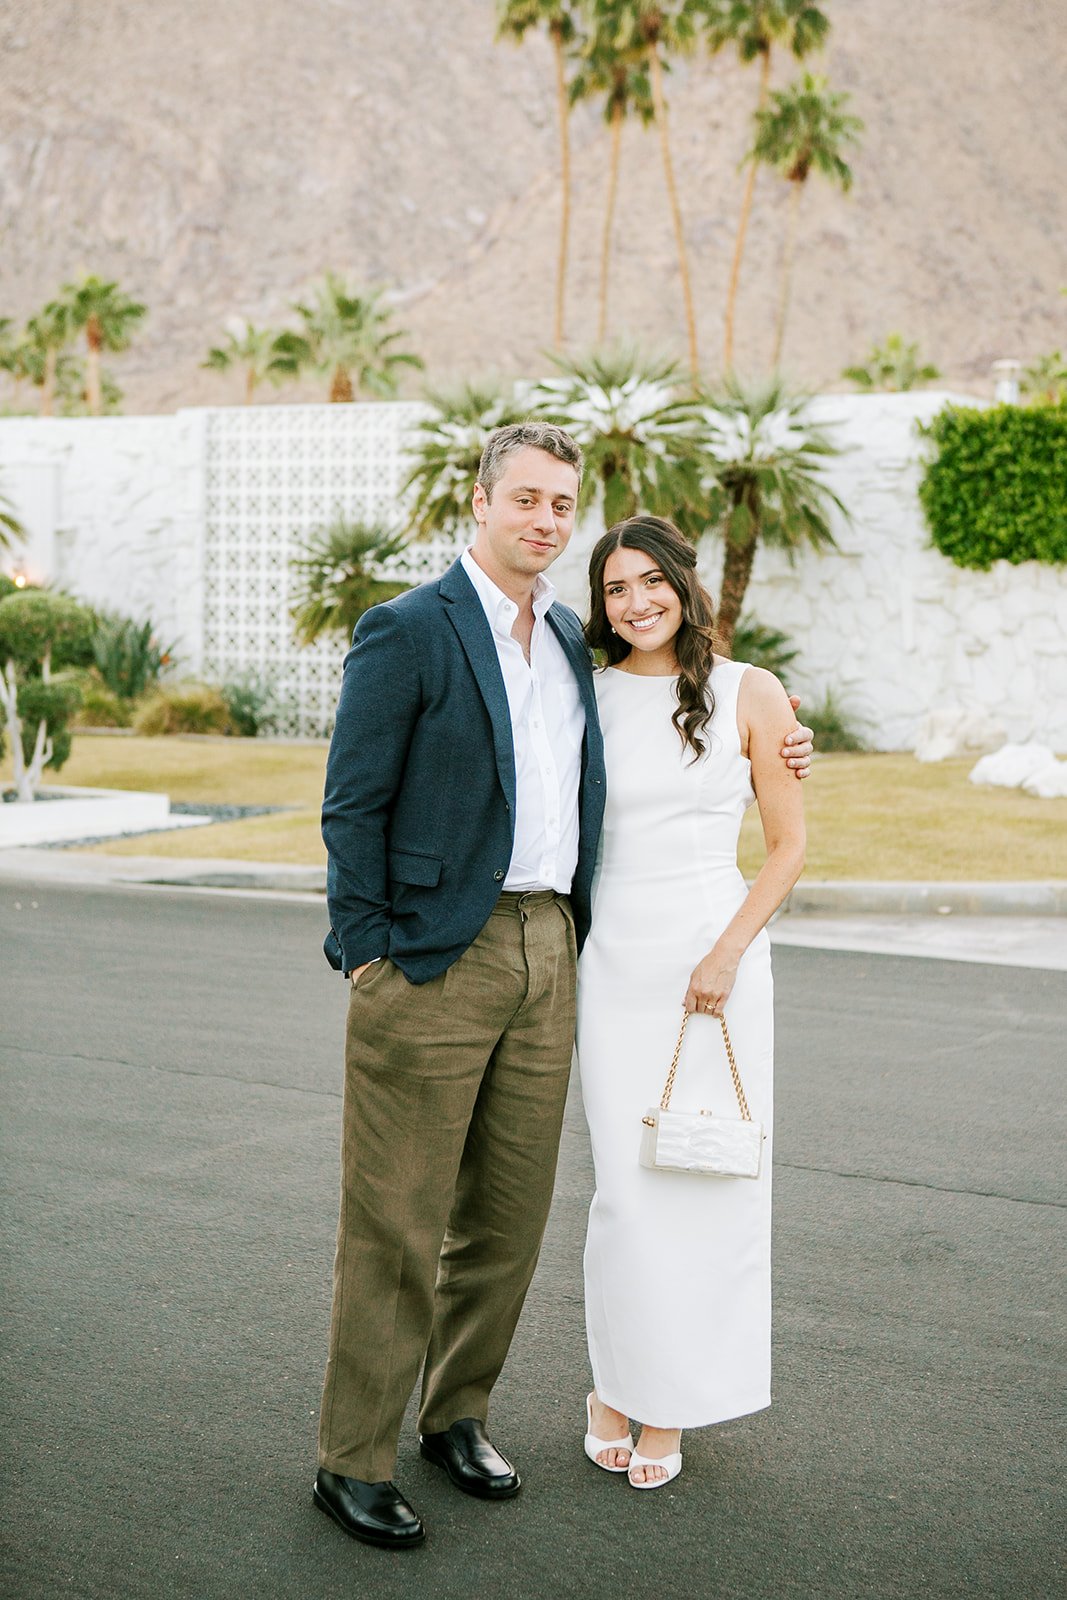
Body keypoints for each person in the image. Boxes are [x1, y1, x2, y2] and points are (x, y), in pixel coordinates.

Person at [313, 424, 813, 1550]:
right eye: (524, 498)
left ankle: (455, 1414)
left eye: (559, 504)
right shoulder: (405, 630)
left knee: (507, 1216)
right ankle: (351, 1459)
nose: (543, 518)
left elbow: (686, 732)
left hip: (557, 949)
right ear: (480, 501)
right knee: (397, 1216)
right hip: (436, 953)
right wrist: (370, 950)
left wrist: (785, 745)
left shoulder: (571, 644)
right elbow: (350, 805)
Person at [578, 514, 806, 1490]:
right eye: (614, 588)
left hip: (715, 966)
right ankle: (612, 1389)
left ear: (682, 581)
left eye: (648, 581)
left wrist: (722, 953)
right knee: (625, 1194)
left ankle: (671, 1400)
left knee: (702, 1184)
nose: (634, 602)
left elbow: (787, 848)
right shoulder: (580, 695)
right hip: (611, 964)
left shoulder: (749, 691)